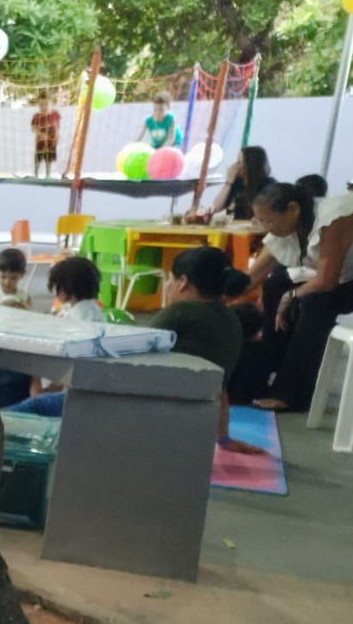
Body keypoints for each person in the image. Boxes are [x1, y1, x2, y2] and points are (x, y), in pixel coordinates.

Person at [244, 180, 353, 411]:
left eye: (268, 220)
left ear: (292, 209)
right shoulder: (284, 225)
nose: (265, 227)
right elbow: (254, 276)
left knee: (316, 302)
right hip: (331, 278)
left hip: (341, 281)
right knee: (275, 283)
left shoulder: (337, 215)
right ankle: (267, 370)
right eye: (260, 221)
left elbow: (326, 280)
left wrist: (292, 295)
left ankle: (291, 392)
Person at [148, 246, 261, 451]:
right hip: (205, 412)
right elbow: (221, 386)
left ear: (182, 282)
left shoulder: (180, 311)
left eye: (170, 279)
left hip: (166, 406)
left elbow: (140, 344)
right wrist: (224, 438)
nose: (167, 285)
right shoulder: (231, 317)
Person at [8, 258, 105, 415]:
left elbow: (70, 357)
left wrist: (39, 381)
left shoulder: (80, 316)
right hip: (66, 381)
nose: (53, 291)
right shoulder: (87, 309)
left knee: (31, 403)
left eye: (56, 286)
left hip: (66, 388)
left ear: (67, 287)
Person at [188, 145, 271, 223]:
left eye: (239, 162)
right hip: (236, 228)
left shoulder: (268, 186)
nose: (235, 166)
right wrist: (228, 182)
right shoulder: (237, 183)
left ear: (250, 165)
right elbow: (217, 207)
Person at [30, 91, 61, 178]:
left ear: (51, 104)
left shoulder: (54, 114)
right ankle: (35, 175)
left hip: (50, 143)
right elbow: (33, 128)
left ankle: (48, 175)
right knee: (38, 160)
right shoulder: (37, 116)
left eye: (46, 104)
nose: (43, 107)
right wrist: (41, 134)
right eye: (41, 105)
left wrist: (57, 136)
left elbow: (56, 126)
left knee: (48, 160)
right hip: (40, 143)